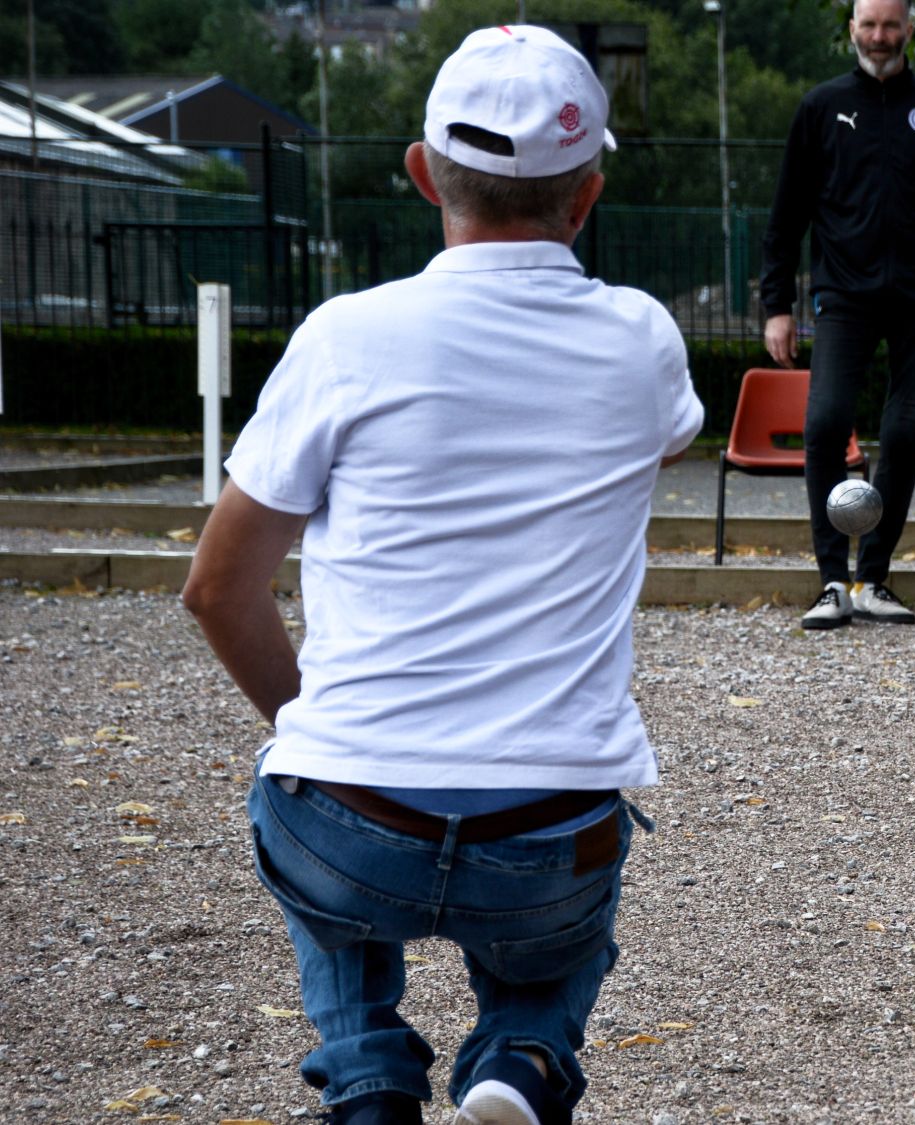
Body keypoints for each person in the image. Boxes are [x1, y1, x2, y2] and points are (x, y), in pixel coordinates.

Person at [181, 25, 703, 1125]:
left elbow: (218, 590)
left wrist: (320, 727)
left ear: (423, 174)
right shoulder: (643, 344)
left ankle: (368, 1070)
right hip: (547, 838)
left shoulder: (344, 339)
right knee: (555, 930)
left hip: (352, 823)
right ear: (589, 192)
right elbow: (666, 440)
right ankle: (522, 1055)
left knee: (298, 795)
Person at [759, 0, 915, 629]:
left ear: (909, 31)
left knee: (903, 435)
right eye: (868, 25)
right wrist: (775, 306)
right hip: (844, 295)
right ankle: (831, 580)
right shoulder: (820, 107)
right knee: (826, 422)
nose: (879, 36)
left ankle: (875, 577)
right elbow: (786, 215)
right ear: (852, 31)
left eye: (890, 25)